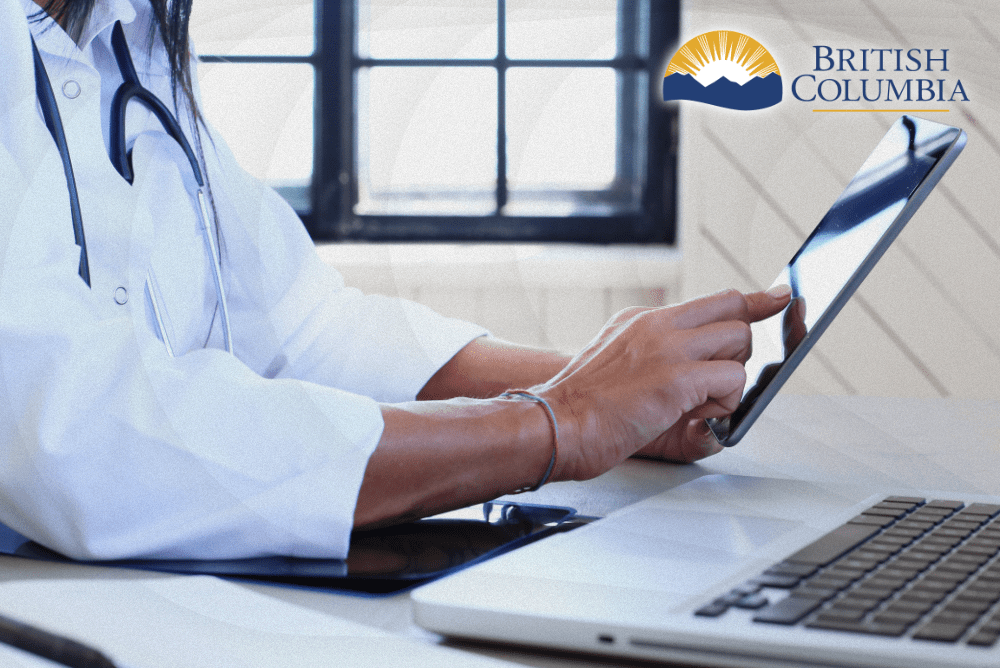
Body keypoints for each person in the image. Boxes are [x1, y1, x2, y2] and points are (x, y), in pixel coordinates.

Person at [0, 0, 791, 561]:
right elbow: (79, 436)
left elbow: (302, 326)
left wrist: (626, 397)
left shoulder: (125, 30)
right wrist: (561, 423)